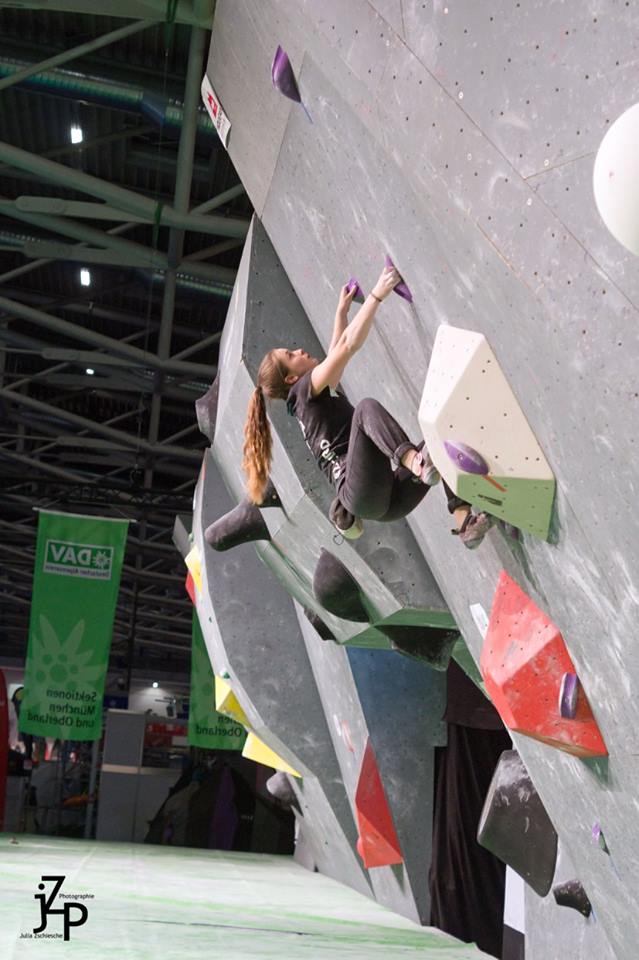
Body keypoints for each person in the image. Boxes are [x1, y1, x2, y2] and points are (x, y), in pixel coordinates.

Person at [242, 263, 494, 548]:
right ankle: (414, 461)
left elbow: (338, 353)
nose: (299, 350)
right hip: (360, 489)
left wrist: (342, 313)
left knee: (440, 440)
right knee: (364, 409)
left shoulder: (309, 401)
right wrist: (378, 293)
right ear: (291, 377)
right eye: (291, 354)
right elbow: (347, 347)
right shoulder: (303, 392)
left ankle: (464, 523)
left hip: (383, 501)